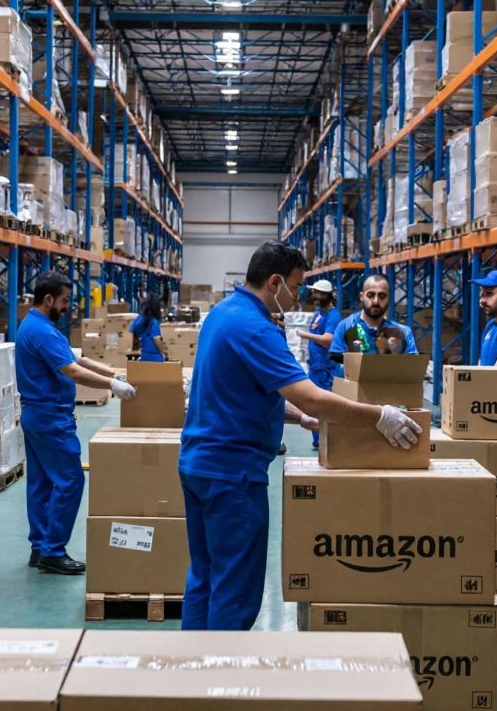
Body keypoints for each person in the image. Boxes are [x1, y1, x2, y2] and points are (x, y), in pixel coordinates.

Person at [179, 240, 424, 631]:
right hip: (232, 475)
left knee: (205, 577)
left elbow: (241, 391)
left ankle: (191, 673)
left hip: (198, 465)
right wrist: (380, 416)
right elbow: (310, 396)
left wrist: (300, 420)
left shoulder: (223, 314)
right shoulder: (257, 328)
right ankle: (218, 680)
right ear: (275, 283)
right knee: (234, 588)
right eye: (296, 288)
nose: (298, 299)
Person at [18, 271, 137, 575]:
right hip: (51, 419)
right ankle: (53, 552)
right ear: (48, 299)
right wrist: (112, 387)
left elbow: (78, 359)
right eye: (65, 301)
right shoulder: (41, 331)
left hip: (37, 415)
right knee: (70, 480)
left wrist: (112, 374)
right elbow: (72, 370)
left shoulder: (37, 326)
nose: (68, 307)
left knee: (42, 483)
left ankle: (40, 547)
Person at [328, 274, 418, 361]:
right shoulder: (345, 327)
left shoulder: (404, 332)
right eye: (370, 295)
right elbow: (337, 367)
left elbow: (413, 368)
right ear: (362, 297)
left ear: (389, 298)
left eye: (382, 296)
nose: (376, 301)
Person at [295, 278, 338, 447]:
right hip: (315, 367)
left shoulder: (333, 315)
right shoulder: (318, 313)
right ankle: (318, 440)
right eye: (315, 293)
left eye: (318, 293)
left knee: (324, 405)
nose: (315, 296)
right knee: (312, 405)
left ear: (326, 295)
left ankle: (325, 440)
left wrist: (304, 335)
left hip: (326, 369)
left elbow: (328, 340)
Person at [129, 296, 167, 362]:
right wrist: (163, 352)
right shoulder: (154, 322)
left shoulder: (142, 319)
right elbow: (156, 339)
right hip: (155, 357)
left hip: (144, 355)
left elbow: (134, 330)